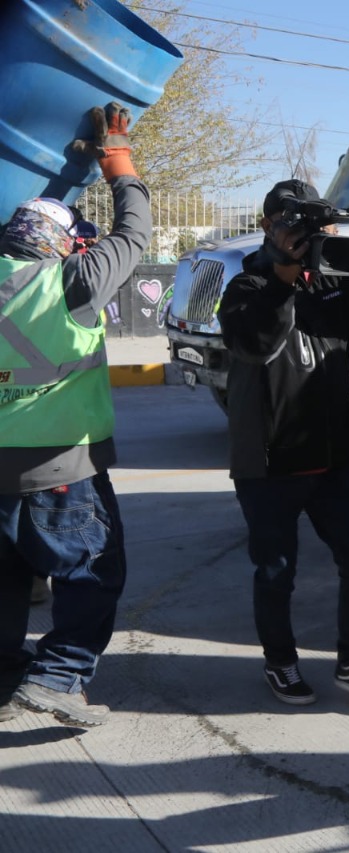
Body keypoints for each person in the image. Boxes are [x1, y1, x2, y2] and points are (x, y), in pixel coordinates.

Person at [218, 179, 349, 708]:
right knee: (276, 572)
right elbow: (257, 344)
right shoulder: (246, 288)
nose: (305, 236)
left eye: (316, 224)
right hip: (270, 462)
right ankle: (280, 662)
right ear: (267, 227)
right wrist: (283, 277)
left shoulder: (334, 282)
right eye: (291, 224)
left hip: (334, 458)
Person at [0, 102, 149, 727]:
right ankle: (58, 678)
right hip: (62, 465)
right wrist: (118, 160)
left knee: (6, 580)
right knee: (93, 571)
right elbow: (134, 234)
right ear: (60, 244)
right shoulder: (73, 281)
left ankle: (6, 681)